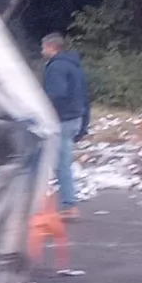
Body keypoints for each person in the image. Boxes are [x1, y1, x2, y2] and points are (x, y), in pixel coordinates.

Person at [41, 32, 90, 219]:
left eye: (43, 47)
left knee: (61, 164)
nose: (42, 51)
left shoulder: (56, 67)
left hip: (61, 120)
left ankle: (69, 205)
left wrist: (43, 114)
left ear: (51, 47)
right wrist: (84, 124)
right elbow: (85, 96)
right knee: (60, 162)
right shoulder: (74, 66)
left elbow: (55, 95)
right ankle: (58, 201)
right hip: (75, 118)